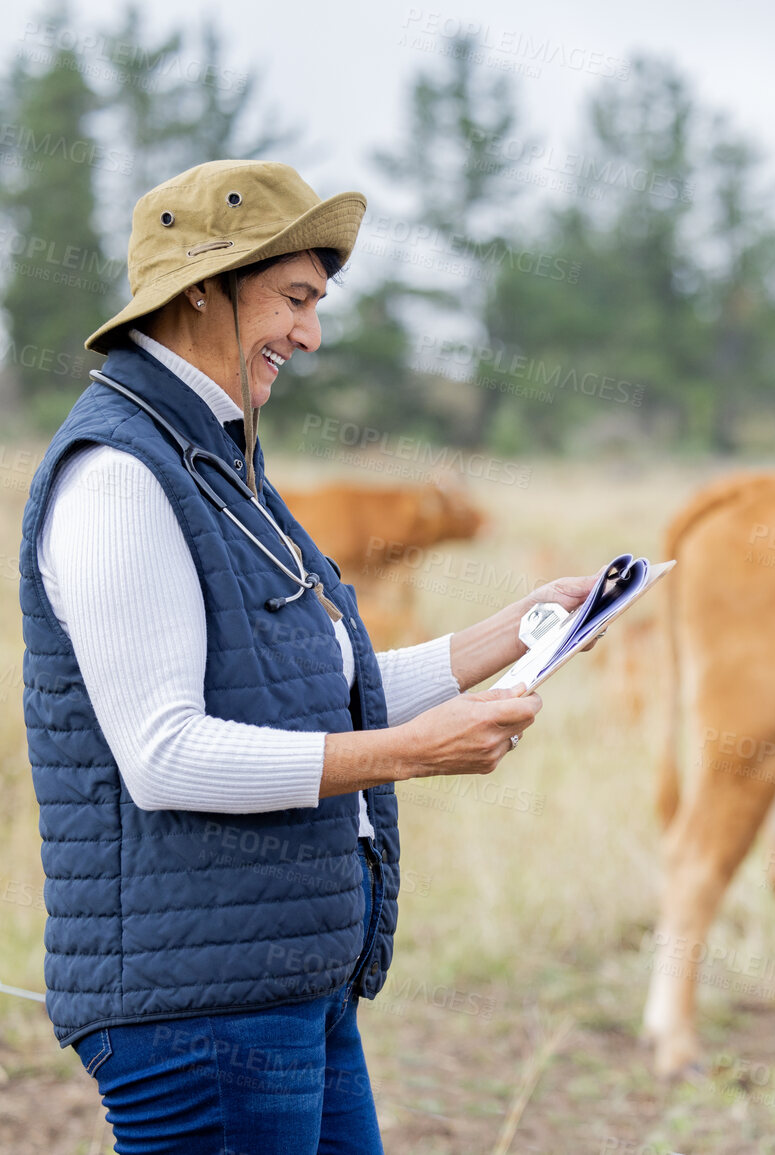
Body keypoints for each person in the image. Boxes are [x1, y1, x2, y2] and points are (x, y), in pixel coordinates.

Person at [17, 158, 595, 1152]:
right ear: (203, 287)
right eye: (293, 300)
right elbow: (165, 757)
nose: (310, 334)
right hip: (202, 1010)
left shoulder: (220, 462)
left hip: (282, 982)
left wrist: (521, 627)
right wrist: (416, 753)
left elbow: (325, 691)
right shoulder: (119, 477)